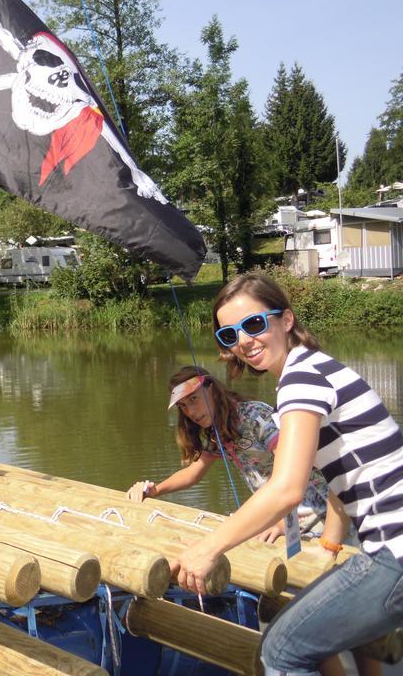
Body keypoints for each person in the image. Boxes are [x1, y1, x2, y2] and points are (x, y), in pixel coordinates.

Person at [173, 271, 403, 676]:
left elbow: (286, 489)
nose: (244, 341)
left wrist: (208, 548)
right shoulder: (315, 368)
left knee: (280, 650)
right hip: (385, 546)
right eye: (230, 335)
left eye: (254, 324)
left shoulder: (301, 379)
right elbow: (343, 475)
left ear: (287, 320)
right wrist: (330, 547)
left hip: (393, 551)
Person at [126, 366, 330, 540]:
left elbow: (294, 469)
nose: (191, 412)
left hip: (317, 513)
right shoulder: (217, 432)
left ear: (212, 390)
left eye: (194, 399)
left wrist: (281, 523)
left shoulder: (254, 416)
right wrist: (154, 490)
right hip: (279, 515)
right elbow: (193, 473)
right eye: (183, 406)